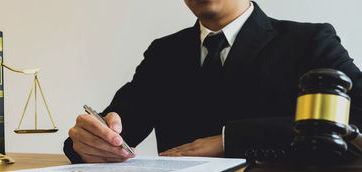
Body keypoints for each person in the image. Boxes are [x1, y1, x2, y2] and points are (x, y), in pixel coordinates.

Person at [64, 0, 362, 163]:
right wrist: (89, 139)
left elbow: (356, 118)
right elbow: (120, 123)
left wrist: (230, 140)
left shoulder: (309, 41)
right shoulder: (164, 52)